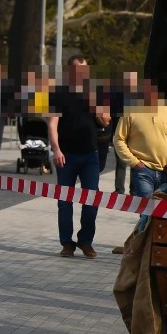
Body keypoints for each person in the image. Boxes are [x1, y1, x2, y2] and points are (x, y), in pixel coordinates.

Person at [48, 54, 109, 259]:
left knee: (91, 199)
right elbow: (52, 124)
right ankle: (67, 243)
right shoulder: (57, 93)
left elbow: (106, 121)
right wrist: (56, 149)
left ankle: (85, 241)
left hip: (90, 155)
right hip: (66, 155)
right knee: (64, 201)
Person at [113, 77, 167, 201]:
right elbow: (119, 139)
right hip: (143, 171)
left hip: (166, 170)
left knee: (163, 215)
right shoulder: (130, 112)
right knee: (147, 212)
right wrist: (135, 163)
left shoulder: (166, 110)